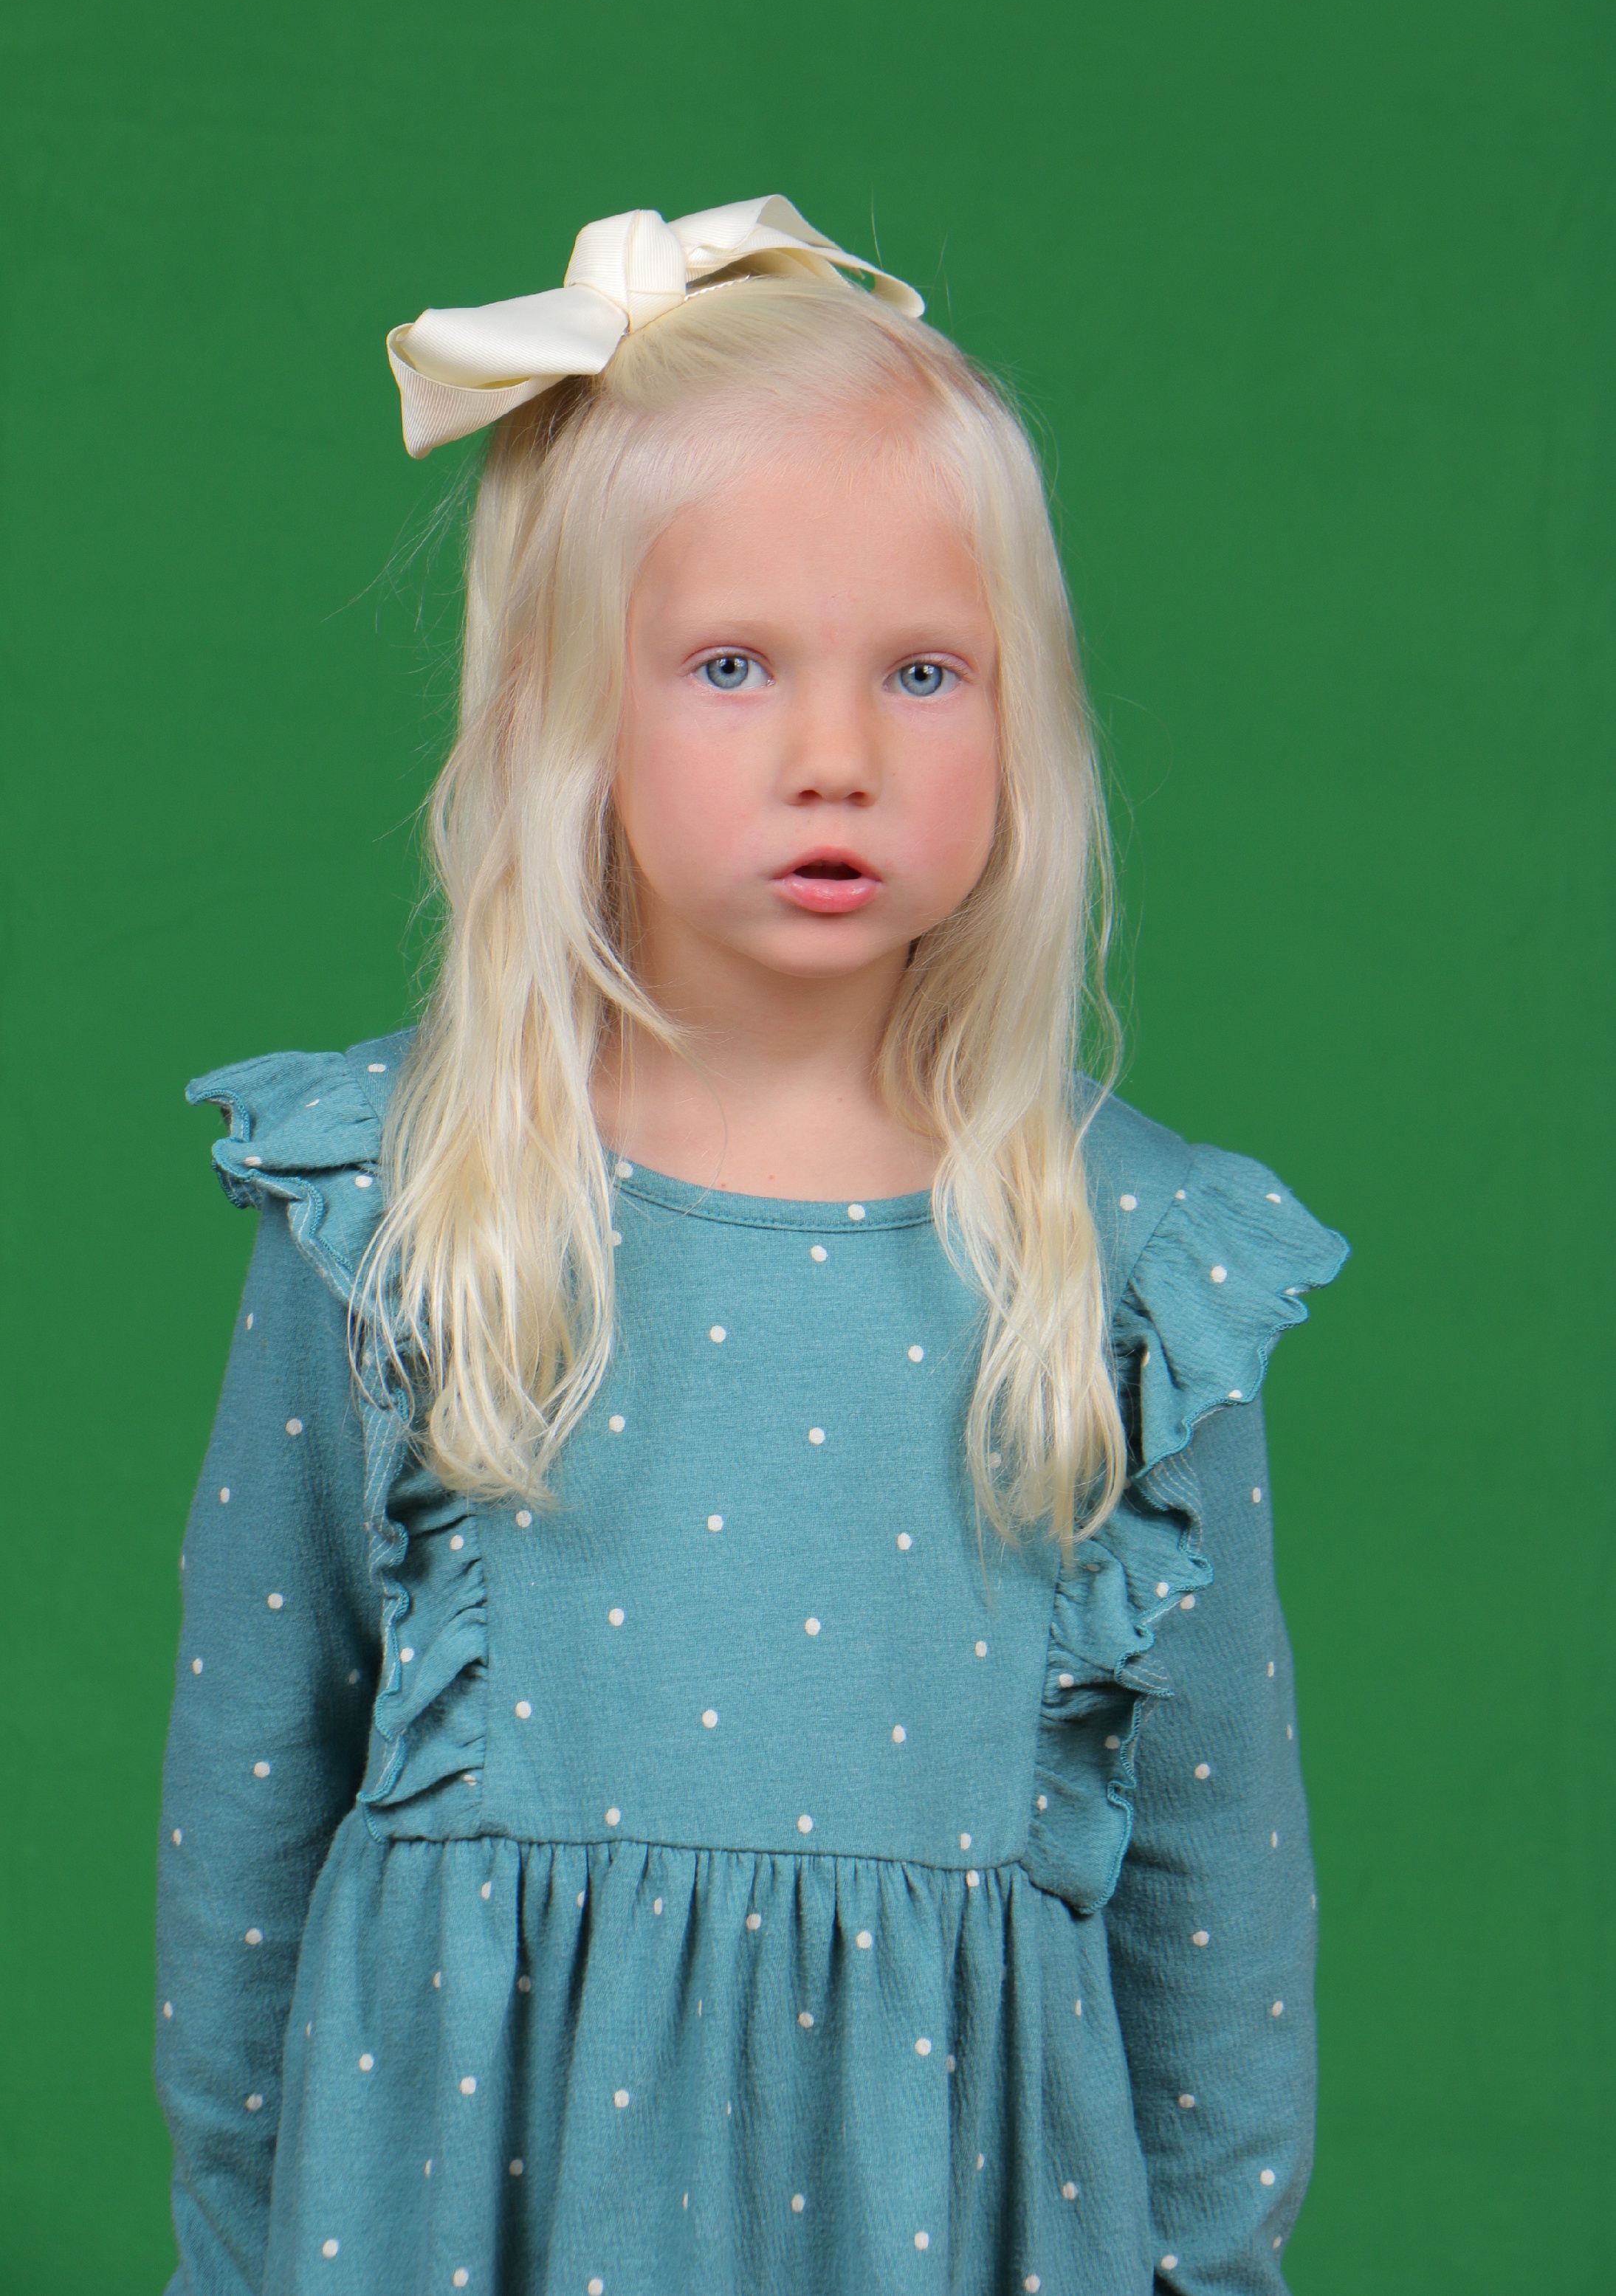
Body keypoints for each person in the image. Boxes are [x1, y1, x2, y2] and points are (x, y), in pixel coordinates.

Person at [155, 196, 1348, 2296]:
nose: (838, 757)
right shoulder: (408, 1215)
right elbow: (249, 1796)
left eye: (925, 671)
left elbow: (1216, 1886)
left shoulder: (1132, 1263)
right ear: (566, 709)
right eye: (731, 667)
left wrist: (1215, 2269)